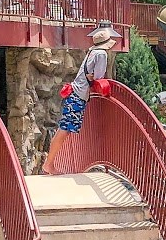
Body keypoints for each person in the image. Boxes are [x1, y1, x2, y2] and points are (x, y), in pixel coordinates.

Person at [42, 24, 120, 174]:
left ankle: (49, 163)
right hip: (79, 96)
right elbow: (98, 77)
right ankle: (49, 164)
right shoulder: (101, 54)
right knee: (64, 130)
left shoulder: (92, 53)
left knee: (64, 129)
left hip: (74, 92)